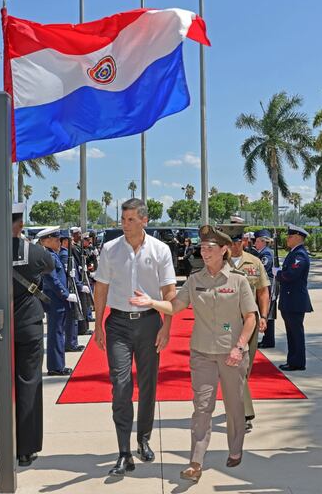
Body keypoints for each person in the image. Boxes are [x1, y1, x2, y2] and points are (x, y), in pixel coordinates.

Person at [129, 225, 258, 482]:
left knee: (234, 406)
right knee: (201, 408)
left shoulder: (238, 280)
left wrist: (240, 346)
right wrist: (153, 302)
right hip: (202, 354)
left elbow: (250, 318)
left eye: (210, 248)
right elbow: (175, 305)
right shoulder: (195, 280)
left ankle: (235, 449)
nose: (205, 251)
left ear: (224, 250)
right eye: (202, 247)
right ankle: (195, 462)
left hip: (232, 354)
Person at [93, 198, 176, 476]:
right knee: (121, 385)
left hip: (149, 323)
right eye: (123, 219)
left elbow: (169, 293)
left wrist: (166, 326)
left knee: (148, 384)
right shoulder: (110, 249)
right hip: (117, 324)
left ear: (144, 220)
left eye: (130, 220)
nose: (124, 225)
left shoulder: (160, 250)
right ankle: (123, 452)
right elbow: (101, 288)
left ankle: (143, 439)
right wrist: (98, 324)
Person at [11, 203, 54, 466]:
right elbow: (48, 265)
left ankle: (3, 441)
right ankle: (26, 448)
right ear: (20, 225)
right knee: (28, 384)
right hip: (28, 326)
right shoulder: (34, 252)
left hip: (1, 327)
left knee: (2, 387)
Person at [223, 226, 271, 432]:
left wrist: (264, 316)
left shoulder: (254, 262)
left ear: (243, 241)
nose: (234, 245)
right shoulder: (218, 263)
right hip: (226, 323)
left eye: (237, 241)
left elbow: (263, 292)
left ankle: (238, 406)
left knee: (245, 368)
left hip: (250, 321)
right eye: (230, 242)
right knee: (236, 369)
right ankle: (244, 414)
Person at [38, 226, 74, 376]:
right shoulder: (50, 256)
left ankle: (57, 365)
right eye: (56, 240)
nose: (60, 242)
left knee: (58, 332)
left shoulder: (52, 254)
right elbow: (52, 280)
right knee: (56, 333)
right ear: (46, 241)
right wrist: (65, 294)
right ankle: (56, 367)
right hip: (56, 299)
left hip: (57, 299)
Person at [278, 224, 313, 371]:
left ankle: (297, 362)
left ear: (299, 238)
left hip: (295, 300)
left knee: (296, 333)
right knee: (291, 333)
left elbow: (291, 275)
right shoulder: (294, 253)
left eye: (290, 236)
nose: (288, 238)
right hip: (290, 299)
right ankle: (293, 360)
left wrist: (277, 274)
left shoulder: (299, 255)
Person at [254, 229, 276, 349]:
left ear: (263, 241)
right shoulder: (263, 252)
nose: (255, 244)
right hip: (265, 285)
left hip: (268, 286)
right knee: (267, 313)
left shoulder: (266, 254)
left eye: (257, 241)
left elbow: (263, 271)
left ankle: (268, 340)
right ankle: (267, 339)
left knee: (268, 313)